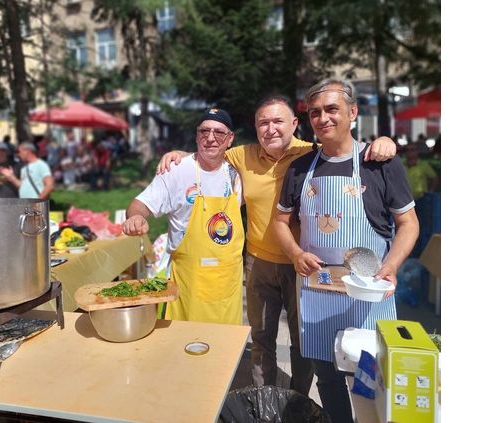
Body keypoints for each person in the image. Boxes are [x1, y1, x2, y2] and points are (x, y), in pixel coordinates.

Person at [157, 96, 397, 396]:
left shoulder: (310, 154)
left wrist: (384, 141)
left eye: (277, 121)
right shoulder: (241, 156)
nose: (270, 129)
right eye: (263, 123)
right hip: (258, 263)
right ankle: (264, 399)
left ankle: (295, 400)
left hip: (304, 263)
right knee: (261, 338)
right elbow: (209, 149)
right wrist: (178, 153)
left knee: (303, 339)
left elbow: (344, 147)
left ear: (294, 124)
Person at [273, 78, 419, 423]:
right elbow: (280, 222)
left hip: (369, 294)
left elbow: (409, 224)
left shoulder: (379, 163)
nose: (323, 118)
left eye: (332, 109)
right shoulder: (299, 169)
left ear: (352, 112)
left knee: (375, 378)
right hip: (319, 291)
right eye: (315, 113)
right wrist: (295, 253)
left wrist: (392, 265)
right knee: (327, 377)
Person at [123, 108, 244, 325]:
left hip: (228, 280)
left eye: (218, 133)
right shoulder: (176, 171)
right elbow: (139, 204)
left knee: (225, 349)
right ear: (196, 135)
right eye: (204, 131)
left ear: (230, 139)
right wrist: (136, 217)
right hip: (189, 281)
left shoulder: (238, 171)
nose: (210, 138)